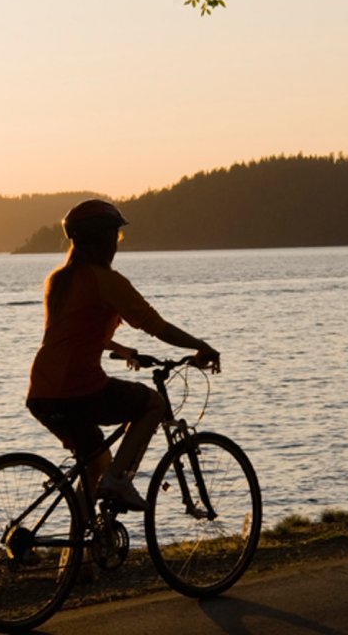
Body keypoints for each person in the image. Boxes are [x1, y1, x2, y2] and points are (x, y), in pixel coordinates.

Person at [27, 199, 220, 511]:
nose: (116, 245)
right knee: (153, 403)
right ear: (102, 239)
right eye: (115, 237)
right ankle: (118, 480)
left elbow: (73, 335)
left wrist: (121, 350)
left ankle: (79, 550)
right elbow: (155, 325)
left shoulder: (60, 280)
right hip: (78, 389)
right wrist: (200, 346)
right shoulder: (106, 281)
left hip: (42, 392)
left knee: (96, 462)